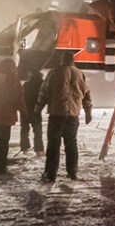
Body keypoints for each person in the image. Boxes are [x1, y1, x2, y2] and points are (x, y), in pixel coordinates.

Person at [36, 51, 92, 182]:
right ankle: (73, 172)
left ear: (62, 60)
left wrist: (38, 109)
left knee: (54, 145)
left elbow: (44, 92)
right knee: (71, 143)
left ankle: (50, 174)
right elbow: (87, 95)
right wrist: (88, 112)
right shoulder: (80, 74)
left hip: (56, 114)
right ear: (73, 60)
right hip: (73, 115)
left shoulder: (54, 73)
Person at [20, 69, 45, 155]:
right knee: (38, 130)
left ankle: (24, 148)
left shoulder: (26, 84)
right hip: (36, 109)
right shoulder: (42, 84)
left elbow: (22, 96)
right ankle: (39, 149)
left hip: (25, 109)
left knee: (24, 130)